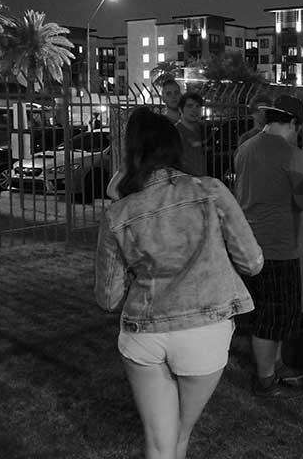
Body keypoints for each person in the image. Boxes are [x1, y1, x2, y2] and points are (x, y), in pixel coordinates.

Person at [94, 107, 263, 459]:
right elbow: (252, 262)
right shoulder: (211, 191)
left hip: (144, 332)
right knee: (179, 435)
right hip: (205, 330)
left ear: (133, 153)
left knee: (160, 444)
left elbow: (108, 298)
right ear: (175, 147)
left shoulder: (119, 213)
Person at [234, 94, 303, 399]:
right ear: (294, 123)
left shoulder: (245, 148)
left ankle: (276, 365)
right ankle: (266, 378)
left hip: (250, 242)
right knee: (273, 317)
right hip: (280, 246)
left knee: (266, 312)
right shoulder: (292, 154)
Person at [175, 92, 207, 177]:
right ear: (180, 109)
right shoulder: (176, 133)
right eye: (190, 106)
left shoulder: (199, 131)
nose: (195, 110)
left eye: (198, 106)